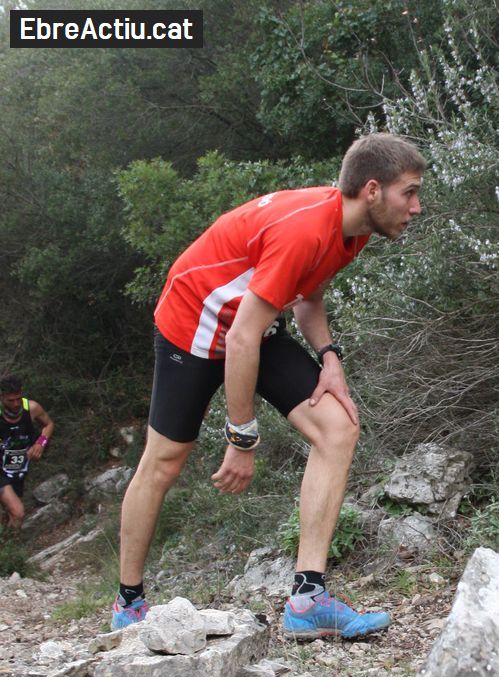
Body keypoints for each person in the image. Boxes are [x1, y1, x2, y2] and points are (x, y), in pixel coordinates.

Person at [112, 133, 425, 639]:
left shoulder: (352, 231)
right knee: (164, 461)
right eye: (408, 192)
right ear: (372, 190)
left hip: (251, 325)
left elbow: (307, 299)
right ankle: (128, 603)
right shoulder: (305, 229)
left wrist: (329, 357)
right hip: (195, 322)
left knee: (337, 428)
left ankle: (307, 600)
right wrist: (242, 438)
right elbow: (239, 338)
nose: (416, 207)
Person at [0, 375, 54, 530]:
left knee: (12, 515)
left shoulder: (31, 408)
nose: (16, 404)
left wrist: (40, 443)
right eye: (11, 400)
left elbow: (49, 424)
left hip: (17, 469)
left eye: (18, 398)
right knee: (18, 511)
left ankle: (10, 541)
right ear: (1, 396)